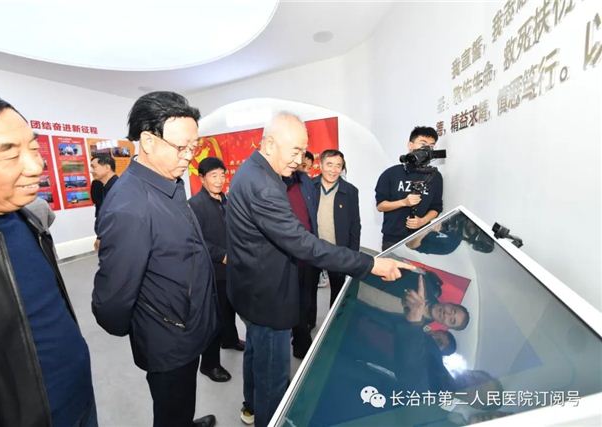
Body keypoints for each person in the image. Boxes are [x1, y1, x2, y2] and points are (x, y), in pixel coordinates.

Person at [226, 111, 415, 427]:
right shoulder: (263, 185)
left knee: (256, 356)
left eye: (303, 152)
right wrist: (369, 263)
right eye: (295, 151)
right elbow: (305, 244)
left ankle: (252, 405)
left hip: (251, 291)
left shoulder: (253, 170)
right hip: (268, 297)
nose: (300, 160)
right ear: (270, 144)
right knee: (273, 380)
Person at [0, 90, 96, 426]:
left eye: (34, 149)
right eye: (10, 155)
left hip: (79, 397)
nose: (37, 166)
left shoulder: (30, 219)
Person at [92, 91, 217, 427]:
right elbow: (112, 302)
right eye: (182, 147)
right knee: (171, 411)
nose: (189, 156)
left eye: (194, 147)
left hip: (185, 325)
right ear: (147, 141)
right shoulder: (131, 205)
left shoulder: (168, 181)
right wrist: (157, 323)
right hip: (168, 338)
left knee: (182, 403)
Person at [188, 157, 238, 384]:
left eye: (222, 175)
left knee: (230, 308)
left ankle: (230, 340)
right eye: (213, 176)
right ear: (202, 178)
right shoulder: (194, 205)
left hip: (232, 268)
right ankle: (209, 365)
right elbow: (195, 241)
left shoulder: (226, 200)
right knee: (213, 318)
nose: (219, 180)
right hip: (211, 270)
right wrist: (222, 255)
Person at [375, 126, 443, 250]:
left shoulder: (435, 176)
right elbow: (380, 206)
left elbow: (436, 207)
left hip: (420, 239)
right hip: (393, 239)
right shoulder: (391, 173)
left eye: (431, 145)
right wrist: (404, 202)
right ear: (410, 145)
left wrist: (422, 221)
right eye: (423, 143)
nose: (427, 149)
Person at [313, 149, 362, 306]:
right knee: (307, 293)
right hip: (311, 248)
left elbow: (355, 225)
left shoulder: (350, 191)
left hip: (337, 251)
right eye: (329, 164)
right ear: (321, 165)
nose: (333, 170)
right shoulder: (309, 186)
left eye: (338, 166)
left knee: (338, 294)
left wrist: (353, 255)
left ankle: (334, 319)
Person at [283, 167, 320, 359]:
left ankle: (301, 342)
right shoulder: (269, 181)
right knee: (288, 302)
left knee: (305, 300)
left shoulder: (305, 180)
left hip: (307, 252)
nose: (298, 160)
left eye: (301, 154)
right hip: (284, 255)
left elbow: (311, 214)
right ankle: (296, 341)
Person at [90, 154, 118, 250]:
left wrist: (101, 237)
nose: (91, 171)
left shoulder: (118, 188)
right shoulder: (106, 187)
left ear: (107, 168)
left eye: (94, 167)